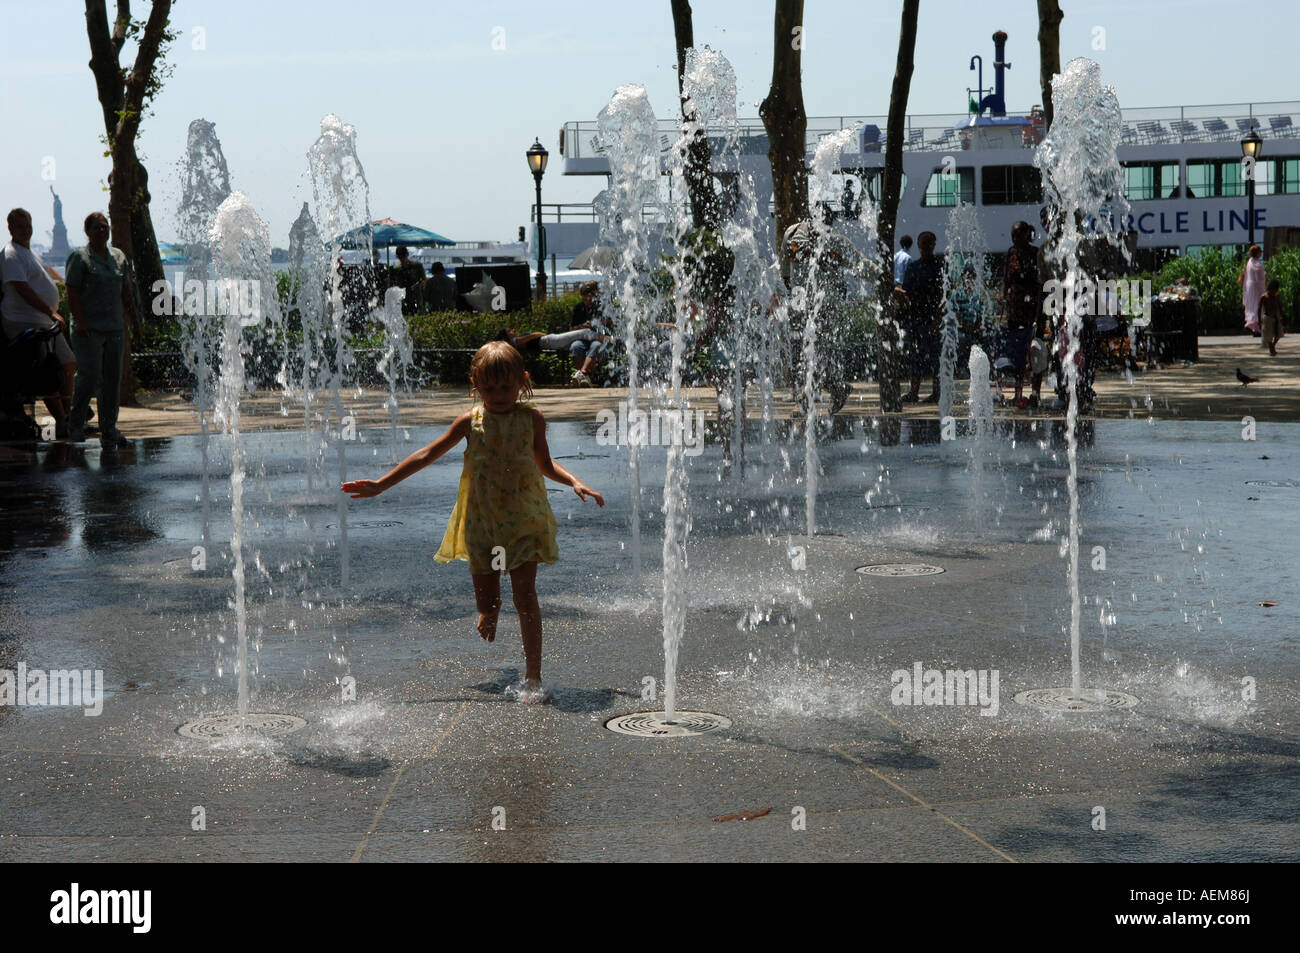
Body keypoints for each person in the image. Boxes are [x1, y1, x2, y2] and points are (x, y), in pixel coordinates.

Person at [341, 341, 604, 697]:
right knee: (488, 600)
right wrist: (382, 484)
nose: (498, 394)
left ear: (522, 382)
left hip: (525, 521)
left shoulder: (532, 419)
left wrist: (575, 480)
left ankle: (533, 677)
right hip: (483, 523)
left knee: (525, 596)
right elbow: (426, 454)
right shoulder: (470, 422)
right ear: (475, 385)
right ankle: (489, 610)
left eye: (506, 387)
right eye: (489, 387)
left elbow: (544, 463)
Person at [64, 212, 140, 448]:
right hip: (89, 330)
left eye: (105, 227)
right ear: (87, 231)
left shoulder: (118, 257)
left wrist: (135, 321)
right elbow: (72, 291)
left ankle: (109, 428)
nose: (102, 231)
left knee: (111, 379)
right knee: (89, 376)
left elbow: (126, 291)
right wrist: (80, 320)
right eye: (97, 228)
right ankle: (75, 425)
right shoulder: (80, 258)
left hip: (114, 328)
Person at [2, 207, 76, 436]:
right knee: (45, 372)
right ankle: (62, 421)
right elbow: (23, 289)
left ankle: (70, 415)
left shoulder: (30, 252)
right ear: (11, 228)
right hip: (25, 322)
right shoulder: (10, 254)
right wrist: (51, 311)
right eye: (20, 227)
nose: (25, 231)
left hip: (45, 322)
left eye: (28, 226)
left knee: (68, 363)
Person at [894, 231, 943, 403]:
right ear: (919, 245)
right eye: (923, 243)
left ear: (934, 244)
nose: (926, 246)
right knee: (916, 356)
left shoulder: (939, 266)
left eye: (929, 243)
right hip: (916, 318)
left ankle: (937, 393)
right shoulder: (913, 267)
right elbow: (906, 292)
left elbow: (944, 295)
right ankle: (914, 392)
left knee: (936, 357)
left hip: (933, 319)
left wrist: (937, 319)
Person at [1000, 220, 1043, 409]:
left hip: (1033, 309)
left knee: (1035, 351)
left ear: (1027, 235)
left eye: (1018, 235)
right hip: (1014, 309)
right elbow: (1005, 278)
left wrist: (1038, 314)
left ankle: (1035, 394)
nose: (1014, 239)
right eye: (1013, 235)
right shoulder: (1011, 253)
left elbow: (1041, 283)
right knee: (1016, 353)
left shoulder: (1036, 254)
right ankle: (1018, 393)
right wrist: (1003, 295)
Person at [568, 280, 610, 385]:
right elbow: (572, 329)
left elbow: (610, 324)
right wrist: (582, 326)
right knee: (575, 346)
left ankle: (583, 373)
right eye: (585, 298)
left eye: (589, 297)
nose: (587, 300)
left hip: (599, 337)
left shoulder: (602, 307)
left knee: (595, 346)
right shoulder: (579, 308)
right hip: (583, 338)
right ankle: (587, 376)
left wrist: (598, 323)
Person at [1239, 244, 1266, 340]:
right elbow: (1260, 277)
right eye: (1260, 251)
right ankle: (1257, 329)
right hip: (1257, 287)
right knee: (1258, 306)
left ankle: (1254, 328)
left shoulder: (1249, 262)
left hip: (1250, 287)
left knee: (1252, 306)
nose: (1261, 253)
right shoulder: (1258, 263)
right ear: (1257, 253)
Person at [393, 246, 426, 314]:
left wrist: (417, 285)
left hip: (416, 297)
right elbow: (395, 284)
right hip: (403, 298)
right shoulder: (396, 268)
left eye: (403, 256)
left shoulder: (417, 266)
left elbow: (424, 280)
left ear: (407, 254)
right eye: (400, 257)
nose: (402, 259)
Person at [1260, 278, 1284, 356]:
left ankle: (1272, 346)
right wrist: (1258, 319)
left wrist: (1281, 315)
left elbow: (1280, 306)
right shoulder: (1264, 297)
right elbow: (1259, 308)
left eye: (1276, 290)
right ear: (1269, 288)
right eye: (1273, 290)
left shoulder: (1277, 296)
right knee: (1268, 335)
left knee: (1279, 334)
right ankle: (1272, 349)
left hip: (1276, 317)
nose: (1274, 292)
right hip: (1267, 318)